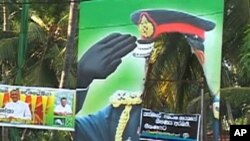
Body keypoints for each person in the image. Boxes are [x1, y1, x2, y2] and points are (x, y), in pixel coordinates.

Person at [75, 9, 215, 141]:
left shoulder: (221, 113)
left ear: (199, 58)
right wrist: (79, 82)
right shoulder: (123, 115)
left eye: (164, 60)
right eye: (149, 60)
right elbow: (58, 129)